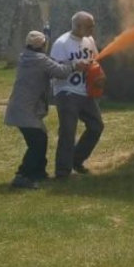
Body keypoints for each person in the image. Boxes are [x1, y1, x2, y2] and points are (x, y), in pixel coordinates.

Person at [4, 31, 89, 190]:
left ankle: (39, 172)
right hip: (25, 109)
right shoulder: (40, 60)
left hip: (20, 107)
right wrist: (76, 66)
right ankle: (22, 176)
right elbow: (60, 72)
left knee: (40, 138)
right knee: (37, 143)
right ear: (43, 46)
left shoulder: (25, 57)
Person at [50, 11, 104, 179]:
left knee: (96, 126)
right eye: (89, 26)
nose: (92, 29)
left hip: (85, 91)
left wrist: (97, 75)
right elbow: (54, 71)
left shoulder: (89, 40)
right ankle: (62, 173)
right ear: (77, 26)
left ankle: (76, 160)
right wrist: (74, 66)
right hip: (67, 92)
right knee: (68, 131)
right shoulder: (61, 44)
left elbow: (95, 60)